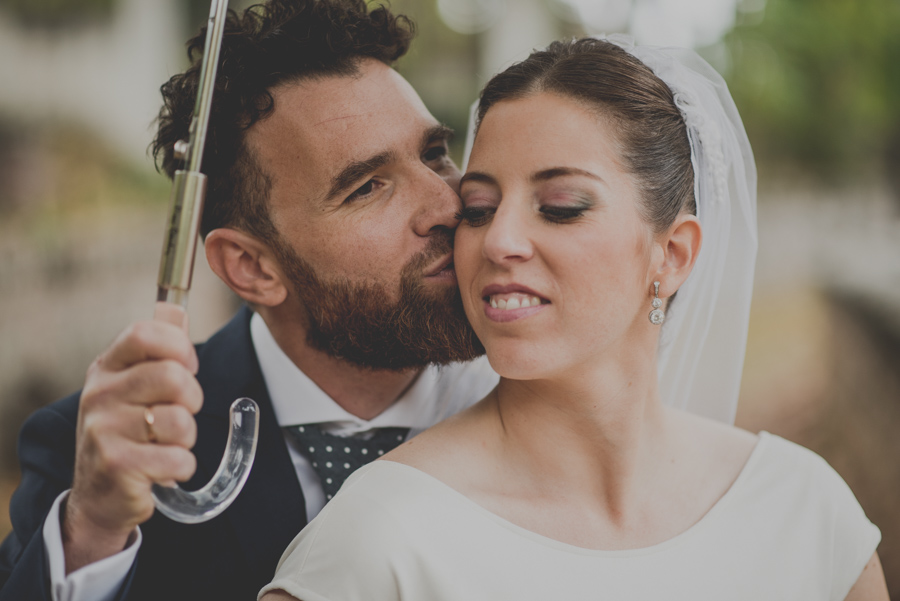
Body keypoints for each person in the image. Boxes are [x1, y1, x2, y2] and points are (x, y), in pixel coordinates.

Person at [260, 37, 888, 601]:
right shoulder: (377, 541)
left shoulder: (806, 510)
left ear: (670, 255)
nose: (498, 239)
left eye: (560, 207)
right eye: (477, 208)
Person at [0, 2, 498, 600]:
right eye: (367, 187)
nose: (446, 206)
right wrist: (94, 530)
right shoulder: (102, 454)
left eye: (435, 153)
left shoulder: (547, 394)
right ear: (252, 267)